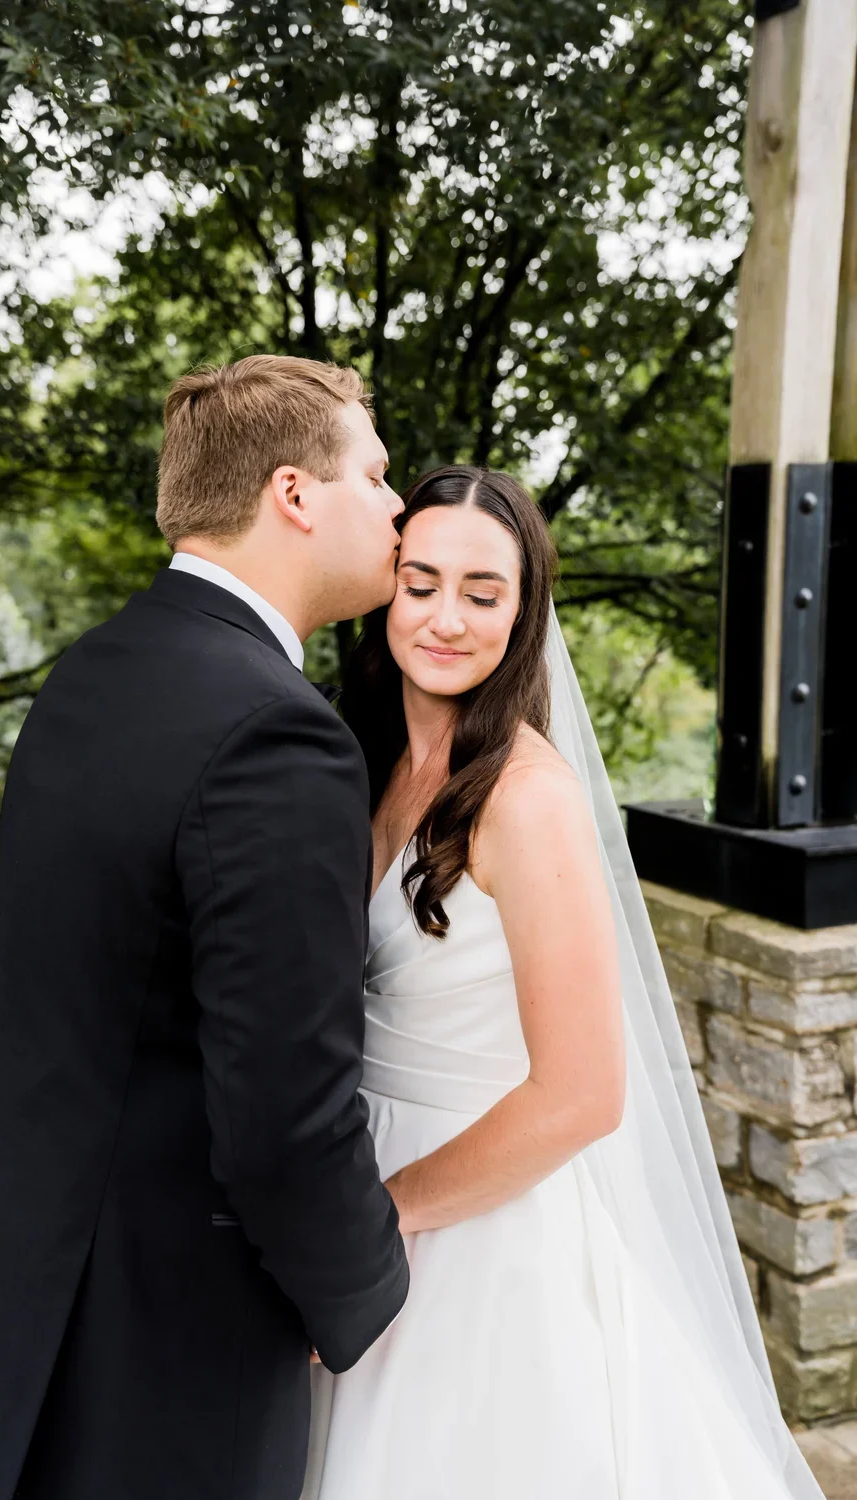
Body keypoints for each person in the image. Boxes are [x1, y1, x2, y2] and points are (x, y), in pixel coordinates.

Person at [0, 356, 410, 1500]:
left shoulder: (97, 668)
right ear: (295, 495)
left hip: (10, 1291)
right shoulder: (279, 734)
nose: (397, 505)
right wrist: (357, 1290)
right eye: (375, 473)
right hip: (149, 1349)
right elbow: (282, 1110)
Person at [302, 465, 826, 1500]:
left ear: (523, 612)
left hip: (475, 1223)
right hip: (360, 1175)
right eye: (422, 583)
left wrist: (382, 1216)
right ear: (386, 588)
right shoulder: (363, 760)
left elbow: (583, 1092)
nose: (444, 617)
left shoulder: (528, 798)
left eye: (482, 593)